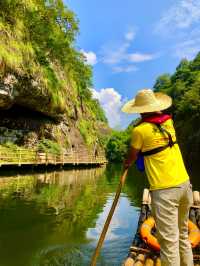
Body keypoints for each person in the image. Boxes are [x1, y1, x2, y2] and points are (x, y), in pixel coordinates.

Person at [122, 89, 193, 266]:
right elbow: (157, 120)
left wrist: (126, 165)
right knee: (182, 235)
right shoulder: (168, 123)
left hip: (165, 191)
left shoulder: (140, 130)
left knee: (169, 244)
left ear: (140, 109)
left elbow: (132, 155)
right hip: (185, 186)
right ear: (155, 106)